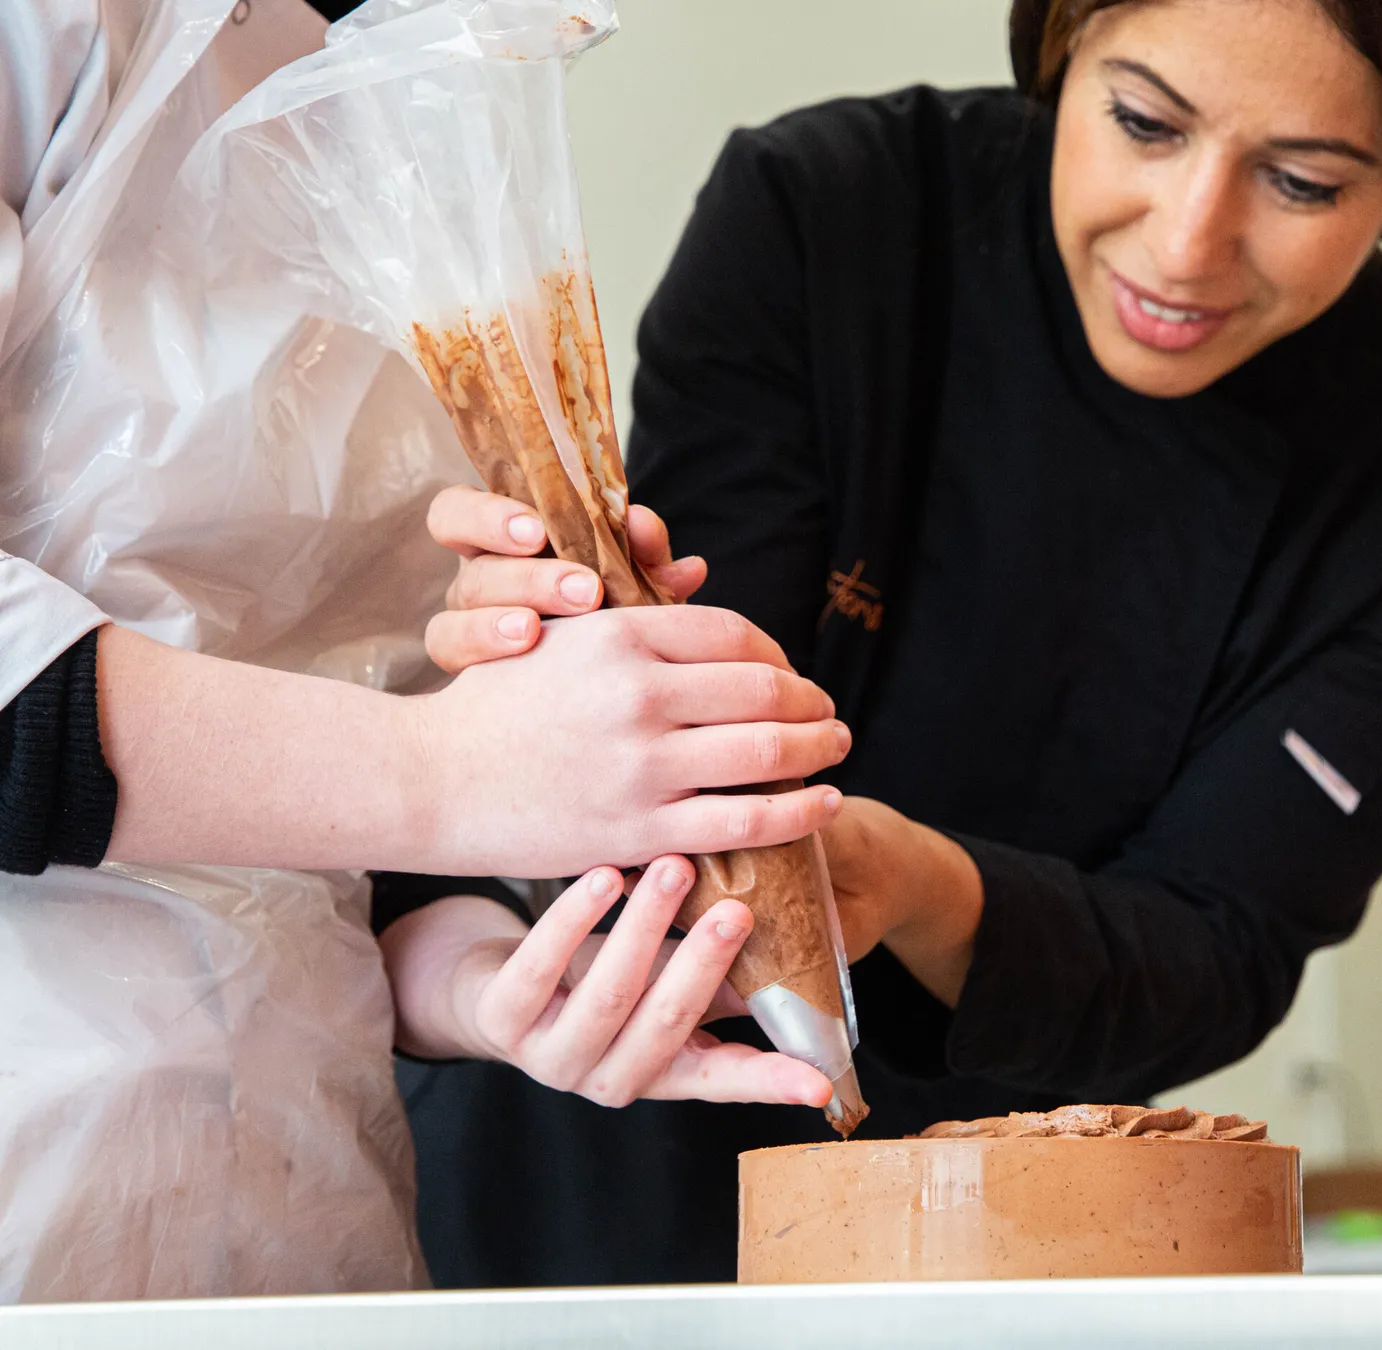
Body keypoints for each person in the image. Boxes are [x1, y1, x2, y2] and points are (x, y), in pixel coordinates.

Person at [381, 0, 1382, 1287]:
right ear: (1064, 41)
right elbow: (672, 726)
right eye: (1145, 123)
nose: (1187, 243)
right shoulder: (832, 215)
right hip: (591, 1144)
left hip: (1028, 1217)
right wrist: (548, 638)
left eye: (1303, 182)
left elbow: (1218, 944)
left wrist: (918, 883)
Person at [0, 0, 846, 1300]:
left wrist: (489, 977)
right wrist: (443, 772)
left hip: (299, 1205)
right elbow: (397, 763)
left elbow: (341, 815)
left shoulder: (418, 91)